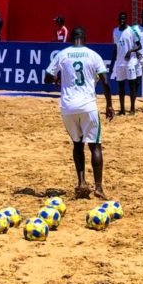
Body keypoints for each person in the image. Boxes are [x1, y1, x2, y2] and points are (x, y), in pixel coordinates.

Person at [45, 26, 115, 200]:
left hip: (68, 107)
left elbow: (47, 77)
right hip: (87, 106)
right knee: (95, 145)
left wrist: (57, 78)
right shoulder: (93, 55)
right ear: (85, 38)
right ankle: (98, 187)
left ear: (72, 39)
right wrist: (109, 105)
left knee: (77, 144)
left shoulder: (62, 55)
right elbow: (105, 81)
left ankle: (81, 182)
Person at [110, 11, 142, 115]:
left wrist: (131, 51)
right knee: (121, 87)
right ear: (118, 20)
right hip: (119, 63)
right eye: (120, 19)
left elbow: (139, 46)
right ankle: (122, 109)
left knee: (131, 86)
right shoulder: (115, 31)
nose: (122, 21)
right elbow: (115, 48)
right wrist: (112, 63)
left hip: (130, 62)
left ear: (126, 20)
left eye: (124, 19)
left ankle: (132, 108)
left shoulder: (131, 31)